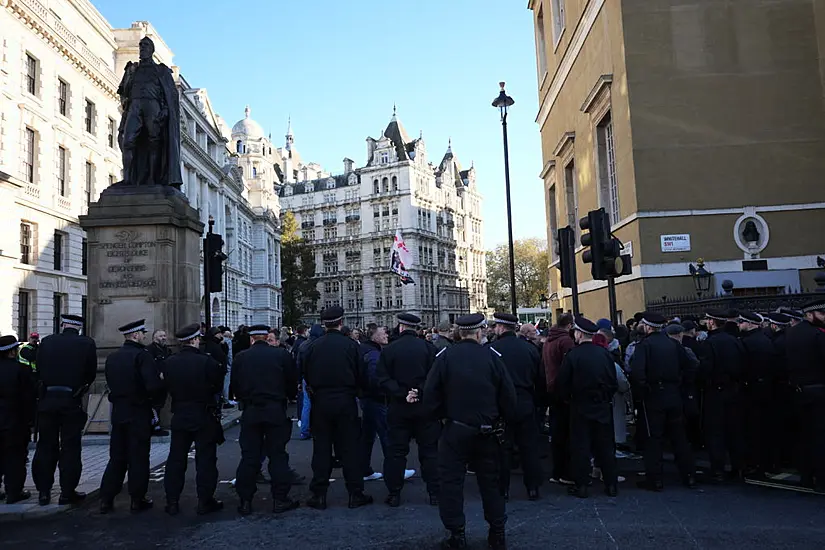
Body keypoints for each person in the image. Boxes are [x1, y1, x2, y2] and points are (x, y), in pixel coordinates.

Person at [422, 313, 516, 550]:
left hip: (455, 428)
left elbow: (430, 395)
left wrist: (441, 418)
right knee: (490, 483)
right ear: (478, 332)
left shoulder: (445, 357)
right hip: (488, 430)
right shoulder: (492, 357)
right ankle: (497, 533)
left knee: (451, 483)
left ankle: (457, 534)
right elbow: (508, 395)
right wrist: (501, 420)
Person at [302, 307, 373, 510]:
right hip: (345, 400)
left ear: (324, 324)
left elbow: (305, 372)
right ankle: (355, 493)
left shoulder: (312, 347)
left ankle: (319, 494)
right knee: (349, 448)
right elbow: (362, 374)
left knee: (322, 449)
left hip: (321, 400)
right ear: (341, 322)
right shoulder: (351, 346)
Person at [99, 320, 166, 514]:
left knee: (117, 457)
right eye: (142, 333)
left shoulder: (112, 357)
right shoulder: (142, 356)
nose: (145, 336)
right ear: (135, 335)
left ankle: (106, 498)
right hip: (138, 412)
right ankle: (137, 498)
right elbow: (152, 386)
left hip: (119, 411)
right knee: (138, 457)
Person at [232, 324, 300, 514]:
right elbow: (291, 383)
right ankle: (280, 498)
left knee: (249, 456)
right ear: (266, 336)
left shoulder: (241, 357)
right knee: (277, 455)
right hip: (275, 408)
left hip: (252, 410)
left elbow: (235, 386)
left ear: (252, 339)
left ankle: (245, 500)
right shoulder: (281, 355)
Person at [32, 314, 97, 506]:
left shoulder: (47, 342)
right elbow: (90, 373)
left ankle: (44, 491)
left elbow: (39, 369)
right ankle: (67, 492)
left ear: (62, 325)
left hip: (47, 400)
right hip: (71, 401)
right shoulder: (86, 343)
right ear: (78, 328)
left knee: (45, 445)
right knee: (70, 447)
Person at [375, 313, 440, 507]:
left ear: (401, 327)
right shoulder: (429, 348)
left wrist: (402, 393)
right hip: (424, 407)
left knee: (396, 452)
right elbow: (435, 378)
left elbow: (382, 378)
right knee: (430, 452)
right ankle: (434, 492)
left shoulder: (389, 350)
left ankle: (394, 492)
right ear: (416, 328)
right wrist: (418, 391)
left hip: (398, 406)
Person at [162, 323, 225, 516]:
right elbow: (217, 386)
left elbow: (167, 386)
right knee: (205, 459)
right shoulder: (207, 362)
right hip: (202, 413)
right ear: (196, 340)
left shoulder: (169, 362)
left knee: (175, 459)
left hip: (180, 413)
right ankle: (205, 501)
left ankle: (172, 501)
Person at [630, 313, 696, 491]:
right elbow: (690, 366)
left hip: (654, 397)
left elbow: (637, 373)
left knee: (653, 438)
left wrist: (642, 393)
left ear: (648, 326)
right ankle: (688, 475)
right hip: (673, 394)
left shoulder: (644, 346)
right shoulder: (674, 344)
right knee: (679, 437)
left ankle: (655, 479)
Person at [556, 316, 619, 498]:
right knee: (606, 446)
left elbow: (563, 383)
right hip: (602, 405)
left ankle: (582, 484)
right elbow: (612, 381)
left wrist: (568, 399)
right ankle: (611, 484)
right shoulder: (605, 355)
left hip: (580, 405)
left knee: (581, 447)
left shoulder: (573, 355)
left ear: (579, 333)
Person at [488, 312, 544, 502]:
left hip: (502, 404)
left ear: (501, 328)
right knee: (529, 447)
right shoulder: (529, 349)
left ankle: (503, 489)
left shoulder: (492, 349)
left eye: (496, 326)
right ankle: (533, 488)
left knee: (503, 449)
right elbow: (540, 379)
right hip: (526, 401)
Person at [699, 310, 746, 483]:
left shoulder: (709, 343)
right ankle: (738, 467)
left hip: (716, 391)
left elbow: (705, 369)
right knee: (735, 431)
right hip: (734, 390)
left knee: (716, 432)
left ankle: (718, 469)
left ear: (712, 322)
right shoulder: (734, 341)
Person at [784, 299, 825, 492]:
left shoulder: (790, 333)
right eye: (821, 314)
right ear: (810, 315)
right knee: (819, 436)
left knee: (803, 435)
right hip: (818, 391)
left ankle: (806, 477)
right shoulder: (817, 335)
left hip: (797, 391)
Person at [737, 312, 779, 477]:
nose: (739, 325)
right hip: (768, 387)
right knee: (767, 427)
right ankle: (770, 462)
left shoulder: (746, 342)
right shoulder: (767, 340)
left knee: (752, 428)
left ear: (750, 324)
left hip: (751, 389)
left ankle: (755, 463)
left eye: (742, 322)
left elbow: (742, 366)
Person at [0, 335, 36, 504]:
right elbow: (28, 397)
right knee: (15, 457)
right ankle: (13, 492)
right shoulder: (21, 369)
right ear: (13, 351)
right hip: (15, 421)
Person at [543, 313, 575, 485]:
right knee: (567, 433)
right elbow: (570, 366)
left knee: (556, 433)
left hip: (551, 388)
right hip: (563, 391)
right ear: (569, 326)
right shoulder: (566, 342)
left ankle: (557, 470)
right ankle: (566, 472)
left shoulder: (549, 340)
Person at [359, 323, 391, 481]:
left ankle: (364, 469)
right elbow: (375, 378)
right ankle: (394, 470)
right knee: (386, 434)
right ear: (374, 336)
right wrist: (384, 391)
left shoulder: (367, 349)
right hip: (376, 399)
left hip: (366, 398)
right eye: (383, 332)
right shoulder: (373, 353)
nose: (386, 334)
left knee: (367, 436)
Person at [147, 330, 171, 437]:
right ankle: (154, 427)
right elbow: (149, 365)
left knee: (160, 404)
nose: (164, 338)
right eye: (161, 336)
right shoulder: (149, 350)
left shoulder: (167, 350)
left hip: (164, 383)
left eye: (165, 335)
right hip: (154, 383)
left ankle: (156, 425)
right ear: (154, 338)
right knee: (154, 406)